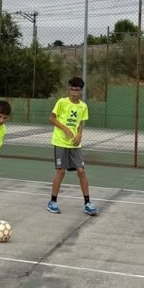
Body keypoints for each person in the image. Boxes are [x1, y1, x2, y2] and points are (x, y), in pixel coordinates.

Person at [47, 76, 97, 216]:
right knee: (61, 171)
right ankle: (52, 201)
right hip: (60, 142)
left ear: (81, 91)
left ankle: (87, 203)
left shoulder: (83, 106)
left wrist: (79, 135)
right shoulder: (62, 102)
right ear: (68, 89)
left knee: (81, 171)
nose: (74, 92)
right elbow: (51, 118)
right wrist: (65, 128)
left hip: (75, 143)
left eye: (77, 89)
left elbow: (81, 123)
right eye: (71, 89)